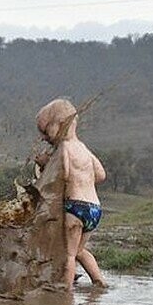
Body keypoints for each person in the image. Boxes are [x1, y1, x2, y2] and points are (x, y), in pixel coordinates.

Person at [34, 99, 108, 288]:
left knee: (69, 254)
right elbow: (101, 175)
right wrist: (84, 179)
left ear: (59, 125)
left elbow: (63, 174)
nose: (43, 137)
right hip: (94, 209)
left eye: (45, 131)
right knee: (80, 251)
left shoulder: (64, 149)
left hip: (75, 208)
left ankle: (65, 291)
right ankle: (99, 281)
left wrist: (45, 164)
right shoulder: (84, 148)